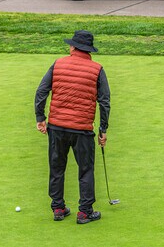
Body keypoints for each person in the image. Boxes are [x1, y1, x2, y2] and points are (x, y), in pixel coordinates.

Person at [35, 30, 111, 224]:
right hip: (82, 129)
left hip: (57, 127)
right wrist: (103, 130)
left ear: (74, 47)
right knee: (85, 169)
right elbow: (104, 102)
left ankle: (58, 208)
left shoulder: (58, 63)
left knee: (57, 167)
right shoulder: (97, 69)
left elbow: (41, 91)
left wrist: (40, 117)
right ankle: (84, 212)